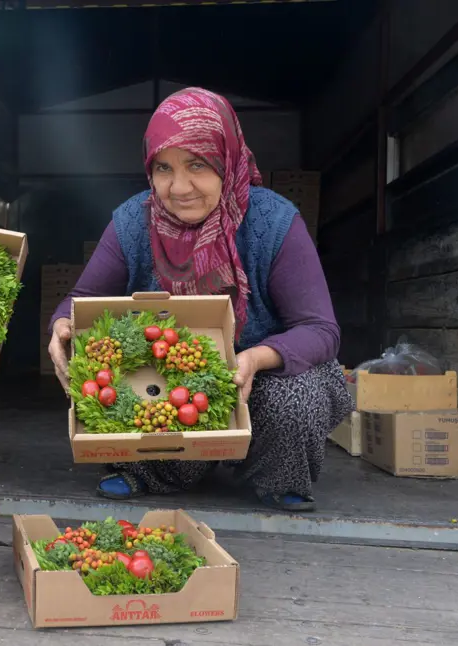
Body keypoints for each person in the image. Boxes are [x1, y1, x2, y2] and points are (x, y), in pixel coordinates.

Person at [48, 87, 352, 512]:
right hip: (170, 375)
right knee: (128, 378)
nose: (179, 187)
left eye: (197, 165)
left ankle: (280, 476)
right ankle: (153, 470)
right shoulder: (134, 221)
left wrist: (254, 360)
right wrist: (62, 326)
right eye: (163, 168)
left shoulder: (274, 222)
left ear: (226, 161)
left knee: (295, 398)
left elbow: (321, 330)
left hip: (263, 377)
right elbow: (80, 299)